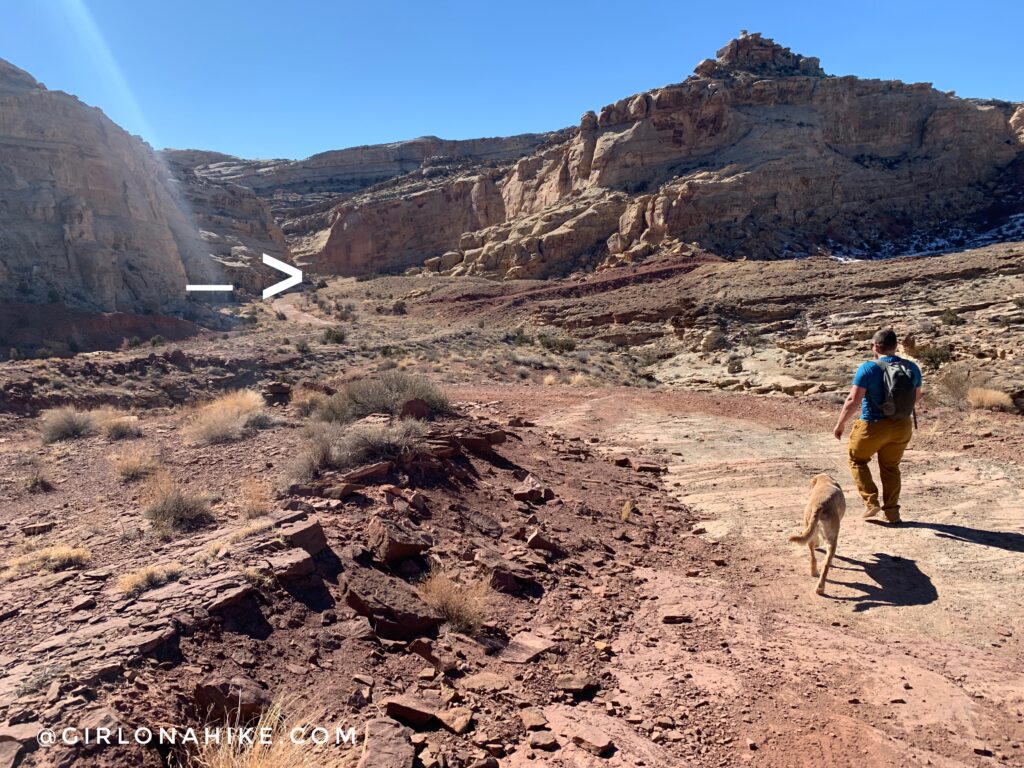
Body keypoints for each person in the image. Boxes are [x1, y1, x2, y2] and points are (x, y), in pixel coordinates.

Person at [832, 328, 923, 524]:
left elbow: (853, 400)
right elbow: (917, 397)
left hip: (873, 425)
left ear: (875, 346)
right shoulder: (912, 367)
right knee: (891, 467)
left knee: (857, 459)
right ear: (895, 346)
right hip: (902, 426)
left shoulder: (868, 368)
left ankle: (871, 502)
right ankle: (892, 513)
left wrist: (840, 424)